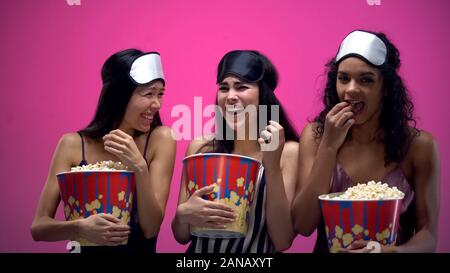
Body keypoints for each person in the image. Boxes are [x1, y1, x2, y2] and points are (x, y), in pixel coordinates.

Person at [291, 30, 440, 252]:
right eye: (343, 78)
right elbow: (303, 224)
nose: (351, 89)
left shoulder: (419, 147)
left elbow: (428, 234)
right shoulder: (316, 136)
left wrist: (393, 251)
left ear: (386, 88)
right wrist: (329, 146)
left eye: (366, 79)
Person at [31, 49, 176, 253]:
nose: (157, 104)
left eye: (160, 94)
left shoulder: (160, 139)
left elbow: (151, 228)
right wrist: (79, 228)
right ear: (119, 96)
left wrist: (139, 166)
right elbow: (38, 228)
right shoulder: (72, 144)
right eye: (148, 94)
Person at [172, 50, 299, 253]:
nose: (230, 96)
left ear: (263, 94)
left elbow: (283, 241)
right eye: (224, 88)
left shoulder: (288, 152)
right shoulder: (200, 148)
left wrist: (272, 165)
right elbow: (181, 236)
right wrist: (183, 214)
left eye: (242, 87)